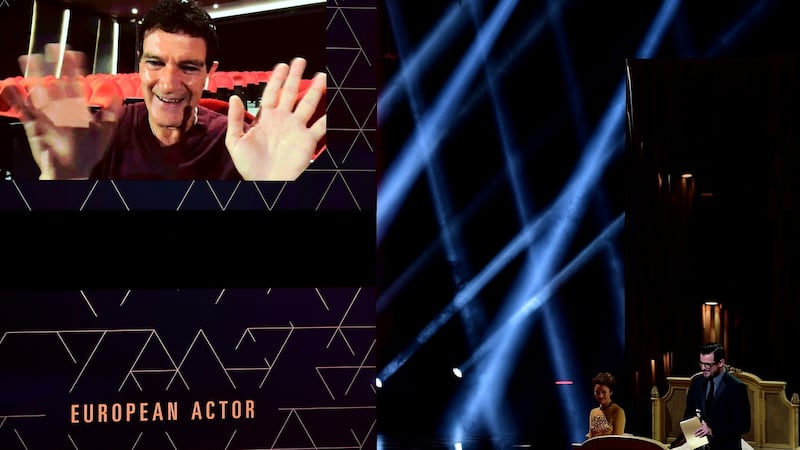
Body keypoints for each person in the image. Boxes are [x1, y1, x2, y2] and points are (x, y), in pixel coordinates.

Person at [1, 0, 325, 180]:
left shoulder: (242, 143)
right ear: (140, 65)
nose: (169, 84)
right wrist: (61, 185)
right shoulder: (98, 137)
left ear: (210, 73)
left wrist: (275, 192)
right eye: (155, 63)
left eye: (188, 67)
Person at [680, 343, 750, 450]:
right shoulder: (696, 382)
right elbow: (689, 412)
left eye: (708, 364)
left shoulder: (736, 387)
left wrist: (712, 430)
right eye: (701, 363)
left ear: (721, 362)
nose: (703, 368)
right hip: (699, 445)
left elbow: (743, 425)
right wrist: (694, 423)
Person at [587, 371, 626, 437]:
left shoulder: (618, 412)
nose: (600, 396)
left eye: (603, 392)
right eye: (597, 392)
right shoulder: (593, 412)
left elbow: (617, 441)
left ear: (611, 392)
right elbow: (590, 438)